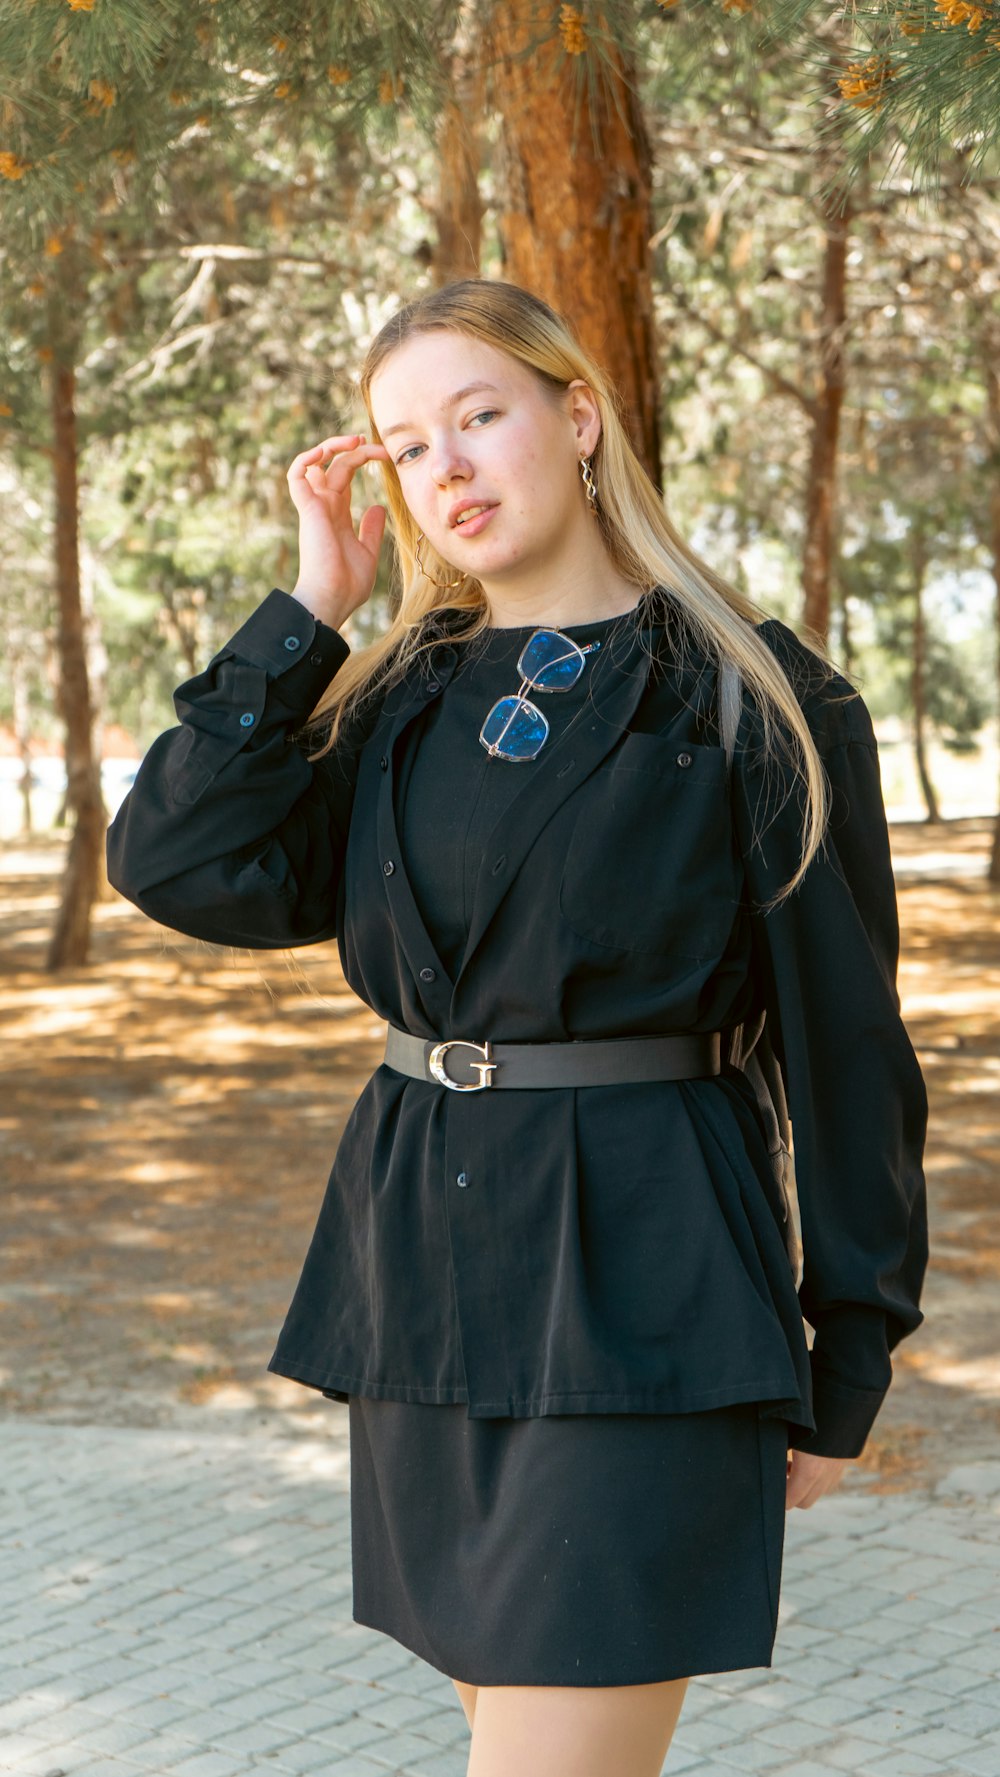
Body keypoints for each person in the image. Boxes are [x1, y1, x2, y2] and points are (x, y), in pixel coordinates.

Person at [106, 277, 929, 1777]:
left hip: (647, 1284)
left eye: (480, 416)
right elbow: (175, 860)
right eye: (409, 446)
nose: (450, 470)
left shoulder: (753, 696)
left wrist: (851, 1342)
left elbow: (849, 1048)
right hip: (423, 1269)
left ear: (581, 414)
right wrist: (307, 612)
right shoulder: (396, 696)